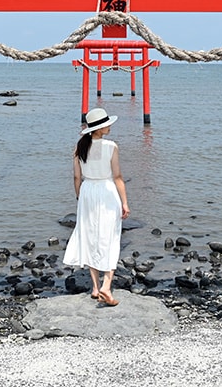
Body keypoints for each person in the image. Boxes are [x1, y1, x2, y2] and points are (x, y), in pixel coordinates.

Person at [62, 107, 130, 306]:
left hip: (87, 191)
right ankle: (106, 286)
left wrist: (79, 196)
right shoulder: (111, 146)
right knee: (110, 236)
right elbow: (117, 177)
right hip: (106, 191)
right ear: (99, 128)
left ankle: (94, 287)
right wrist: (125, 202)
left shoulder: (80, 146)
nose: (109, 126)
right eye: (106, 124)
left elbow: (76, 177)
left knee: (91, 236)